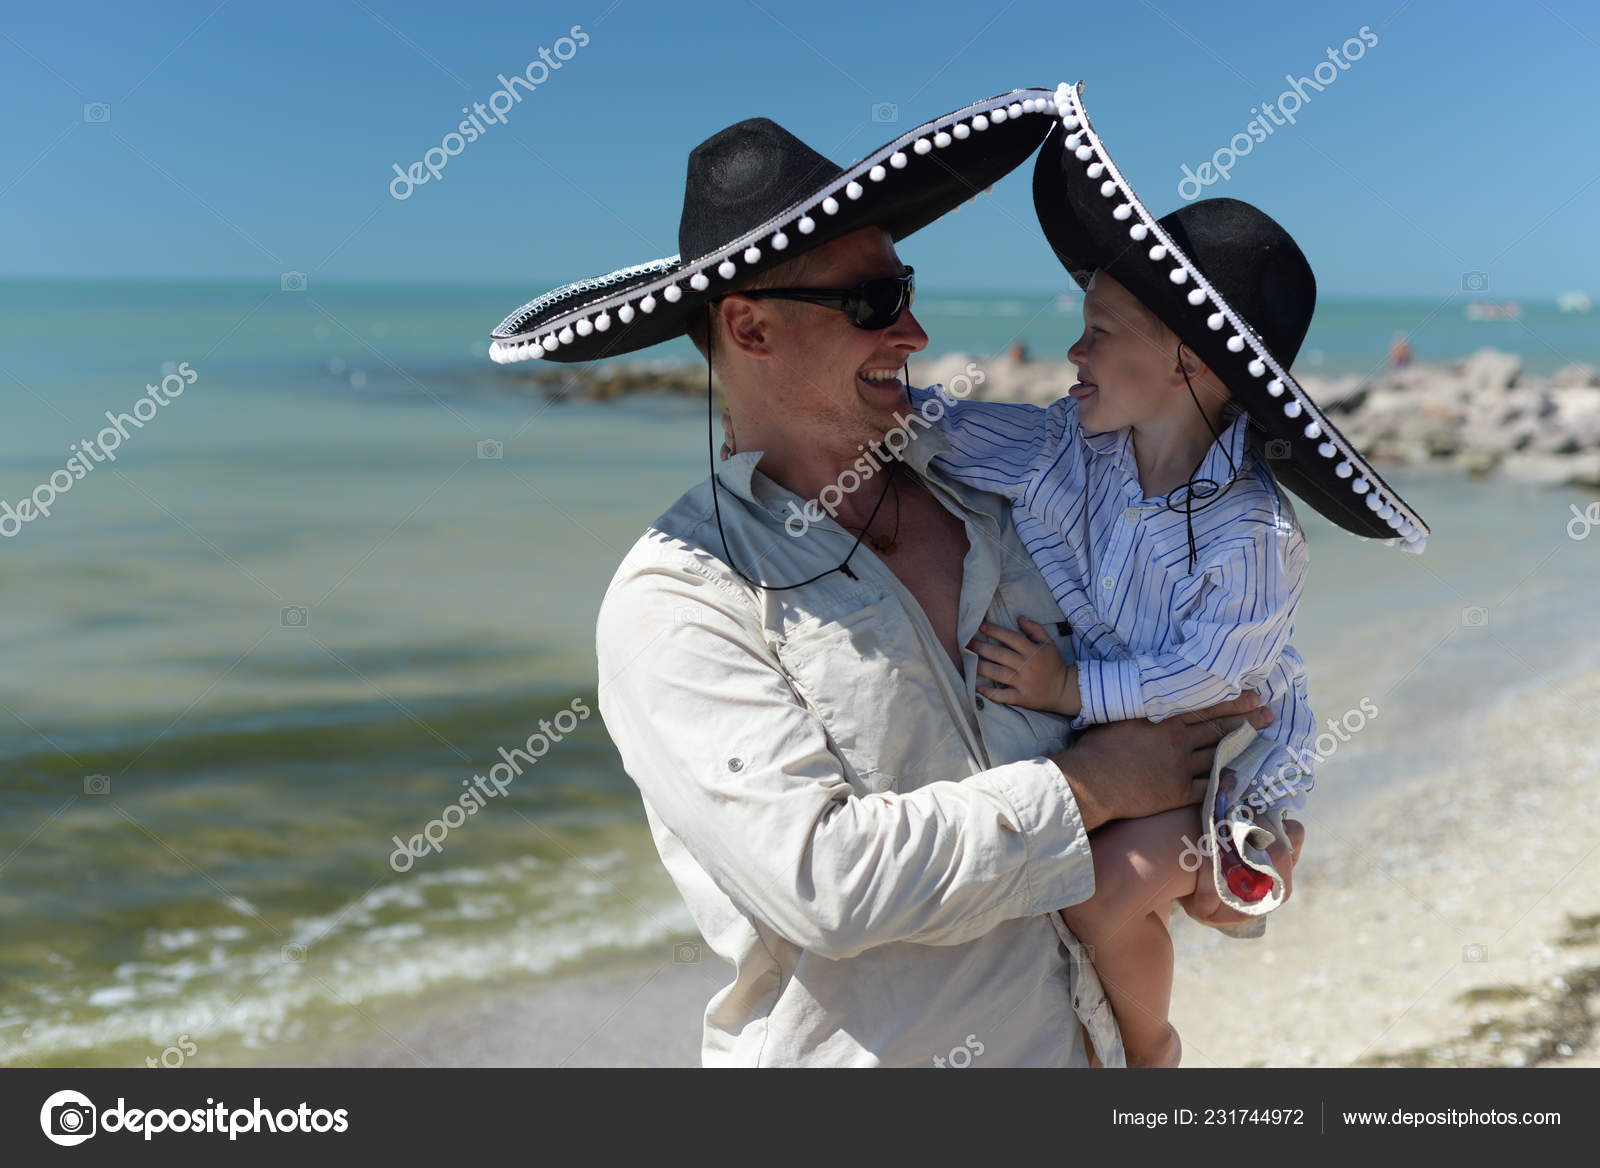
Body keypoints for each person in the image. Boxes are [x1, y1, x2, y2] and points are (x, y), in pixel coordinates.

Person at [486, 85, 1295, 1067]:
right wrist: (1087, 785)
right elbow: (824, 882)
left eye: (903, 292)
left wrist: (1238, 848)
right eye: (872, 305)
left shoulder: (1017, 505)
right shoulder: (681, 599)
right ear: (747, 329)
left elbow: (1189, 703)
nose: (911, 335)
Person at [898, 86, 1430, 1065]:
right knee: (1089, 883)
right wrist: (882, 406)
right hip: (1130, 741)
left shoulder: (1251, 532)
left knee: (1105, 893)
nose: (1073, 348)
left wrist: (1068, 687)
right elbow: (968, 435)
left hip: (1226, 753)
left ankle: (1149, 1052)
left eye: (1099, 331)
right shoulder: (1072, 450)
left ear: (1186, 363)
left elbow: (1205, 683)